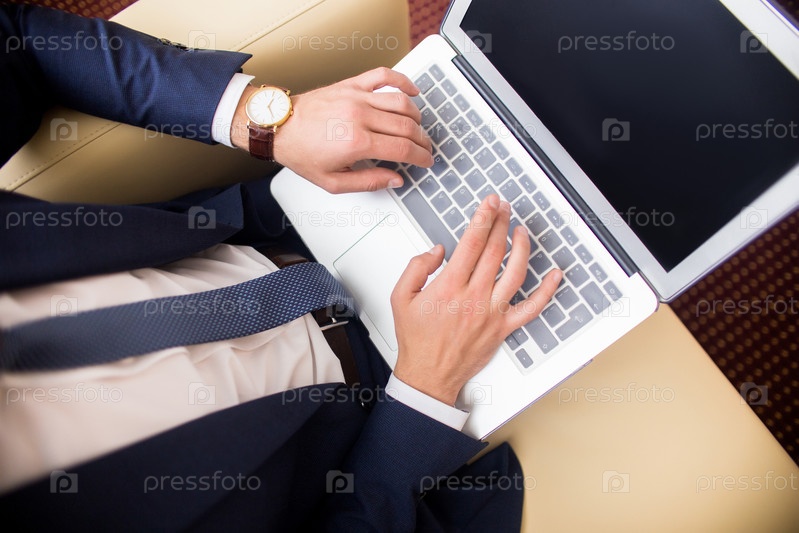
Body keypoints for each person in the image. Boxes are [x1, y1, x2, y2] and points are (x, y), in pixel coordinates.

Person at [0, 4, 561, 530]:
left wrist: (263, 121)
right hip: (387, 402)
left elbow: (17, 39)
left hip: (289, 217)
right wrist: (427, 386)